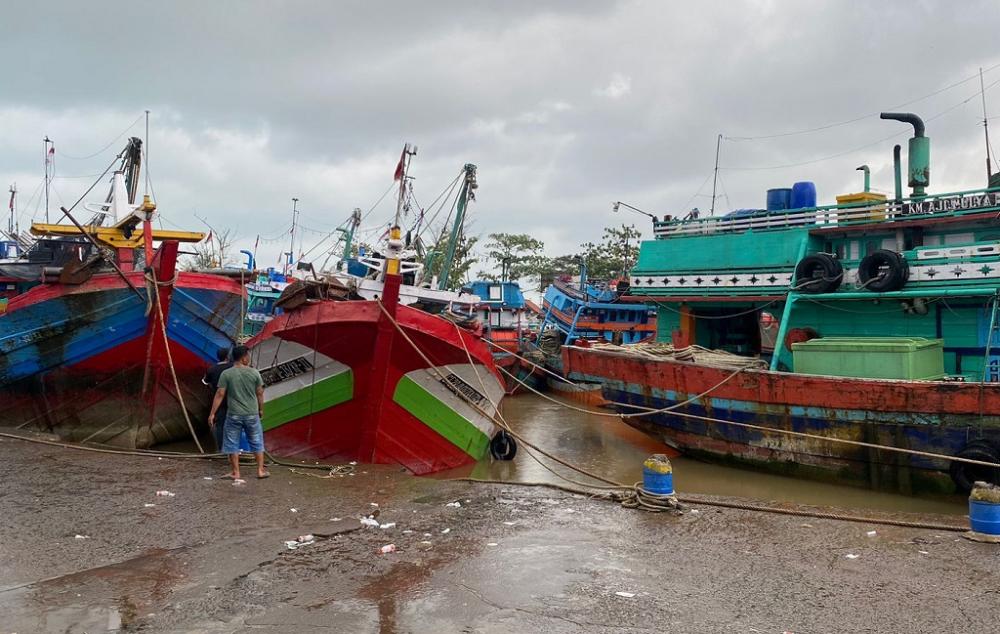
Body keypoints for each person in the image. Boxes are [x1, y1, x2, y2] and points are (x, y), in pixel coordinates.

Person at [208, 345, 269, 480]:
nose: (249, 358)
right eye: (248, 355)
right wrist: (260, 409)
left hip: (234, 414)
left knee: (232, 442)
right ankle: (260, 470)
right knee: (257, 441)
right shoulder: (254, 373)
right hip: (252, 414)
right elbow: (260, 393)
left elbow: (220, 394)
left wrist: (212, 413)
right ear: (243, 358)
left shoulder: (227, 374)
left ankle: (235, 472)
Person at [203, 346, 233, 452]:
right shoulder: (232, 367)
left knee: (220, 426)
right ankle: (234, 449)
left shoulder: (212, 369)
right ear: (227, 357)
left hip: (219, 401)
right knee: (234, 425)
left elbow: (205, 382)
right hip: (234, 400)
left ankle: (221, 449)